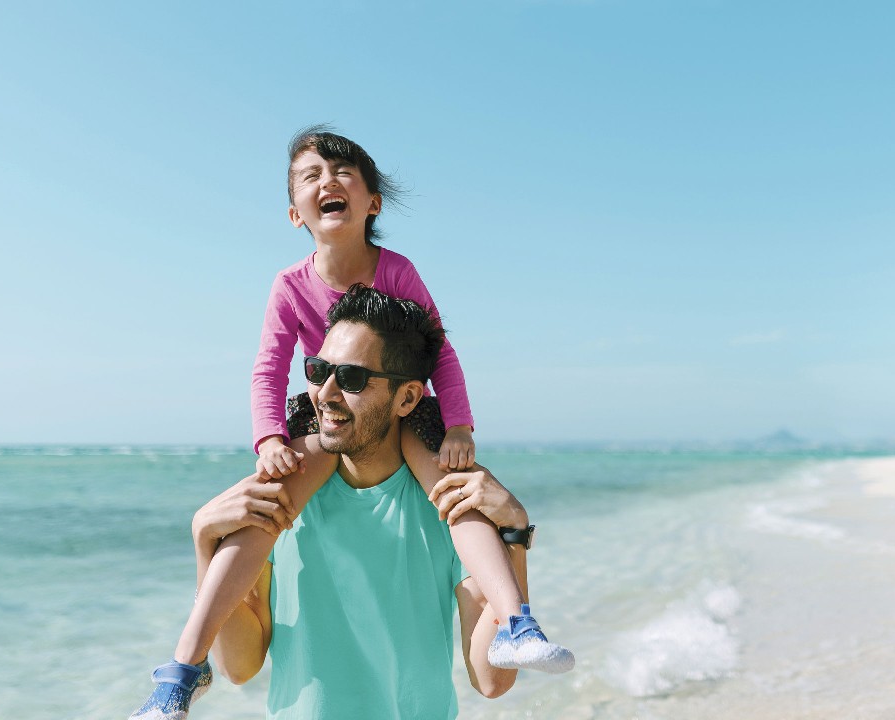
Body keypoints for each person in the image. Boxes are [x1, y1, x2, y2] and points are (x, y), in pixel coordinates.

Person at [130, 129, 572, 718]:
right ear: (295, 214)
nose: (326, 182)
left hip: (417, 418)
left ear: (373, 203)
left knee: (454, 496)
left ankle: (517, 621)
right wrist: (261, 449)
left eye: (342, 172)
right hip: (310, 427)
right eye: (310, 177)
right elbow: (267, 369)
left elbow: (439, 352)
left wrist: (467, 439)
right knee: (267, 506)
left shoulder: (397, 271)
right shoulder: (290, 285)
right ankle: (182, 672)